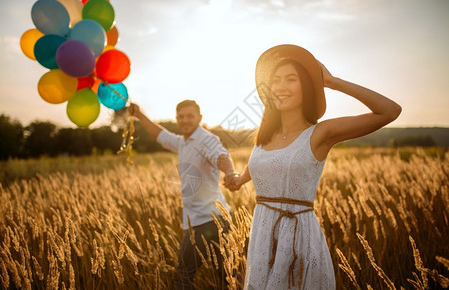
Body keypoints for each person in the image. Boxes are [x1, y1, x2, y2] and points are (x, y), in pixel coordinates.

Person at [224, 44, 402, 289]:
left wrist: (332, 81)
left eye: (291, 79)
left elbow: (390, 111)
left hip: (299, 237)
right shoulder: (265, 135)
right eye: (275, 80)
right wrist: (237, 179)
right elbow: (261, 167)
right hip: (262, 239)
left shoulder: (320, 133)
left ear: (306, 87)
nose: (280, 87)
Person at [129, 100, 238, 289]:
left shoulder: (206, 139)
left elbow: (221, 156)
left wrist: (230, 173)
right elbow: (160, 134)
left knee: (184, 277)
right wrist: (139, 115)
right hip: (210, 219)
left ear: (200, 118)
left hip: (207, 220)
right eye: (181, 117)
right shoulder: (183, 143)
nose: (185, 120)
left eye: (190, 116)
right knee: (227, 278)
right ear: (177, 119)